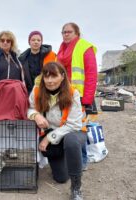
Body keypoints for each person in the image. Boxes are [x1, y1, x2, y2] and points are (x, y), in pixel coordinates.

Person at [28, 62, 86, 200]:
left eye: (54, 76)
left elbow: (74, 125)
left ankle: (76, 187)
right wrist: (35, 115)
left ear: (62, 76)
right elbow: (29, 108)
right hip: (53, 132)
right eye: (46, 76)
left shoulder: (73, 93)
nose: (49, 81)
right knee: (60, 178)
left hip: (74, 131)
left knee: (71, 142)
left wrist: (48, 138)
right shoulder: (37, 91)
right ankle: (67, 157)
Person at [57, 22, 98, 170]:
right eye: (63, 32)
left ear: (77, 34)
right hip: (64, 95)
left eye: (69, 32)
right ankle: (69, 159)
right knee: (66, 126)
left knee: (79, 129)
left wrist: (86, 100)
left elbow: (92, 75)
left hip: (79, 96)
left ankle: (83, 160)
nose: (66, 34)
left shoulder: (85, 48)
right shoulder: (61, 50)